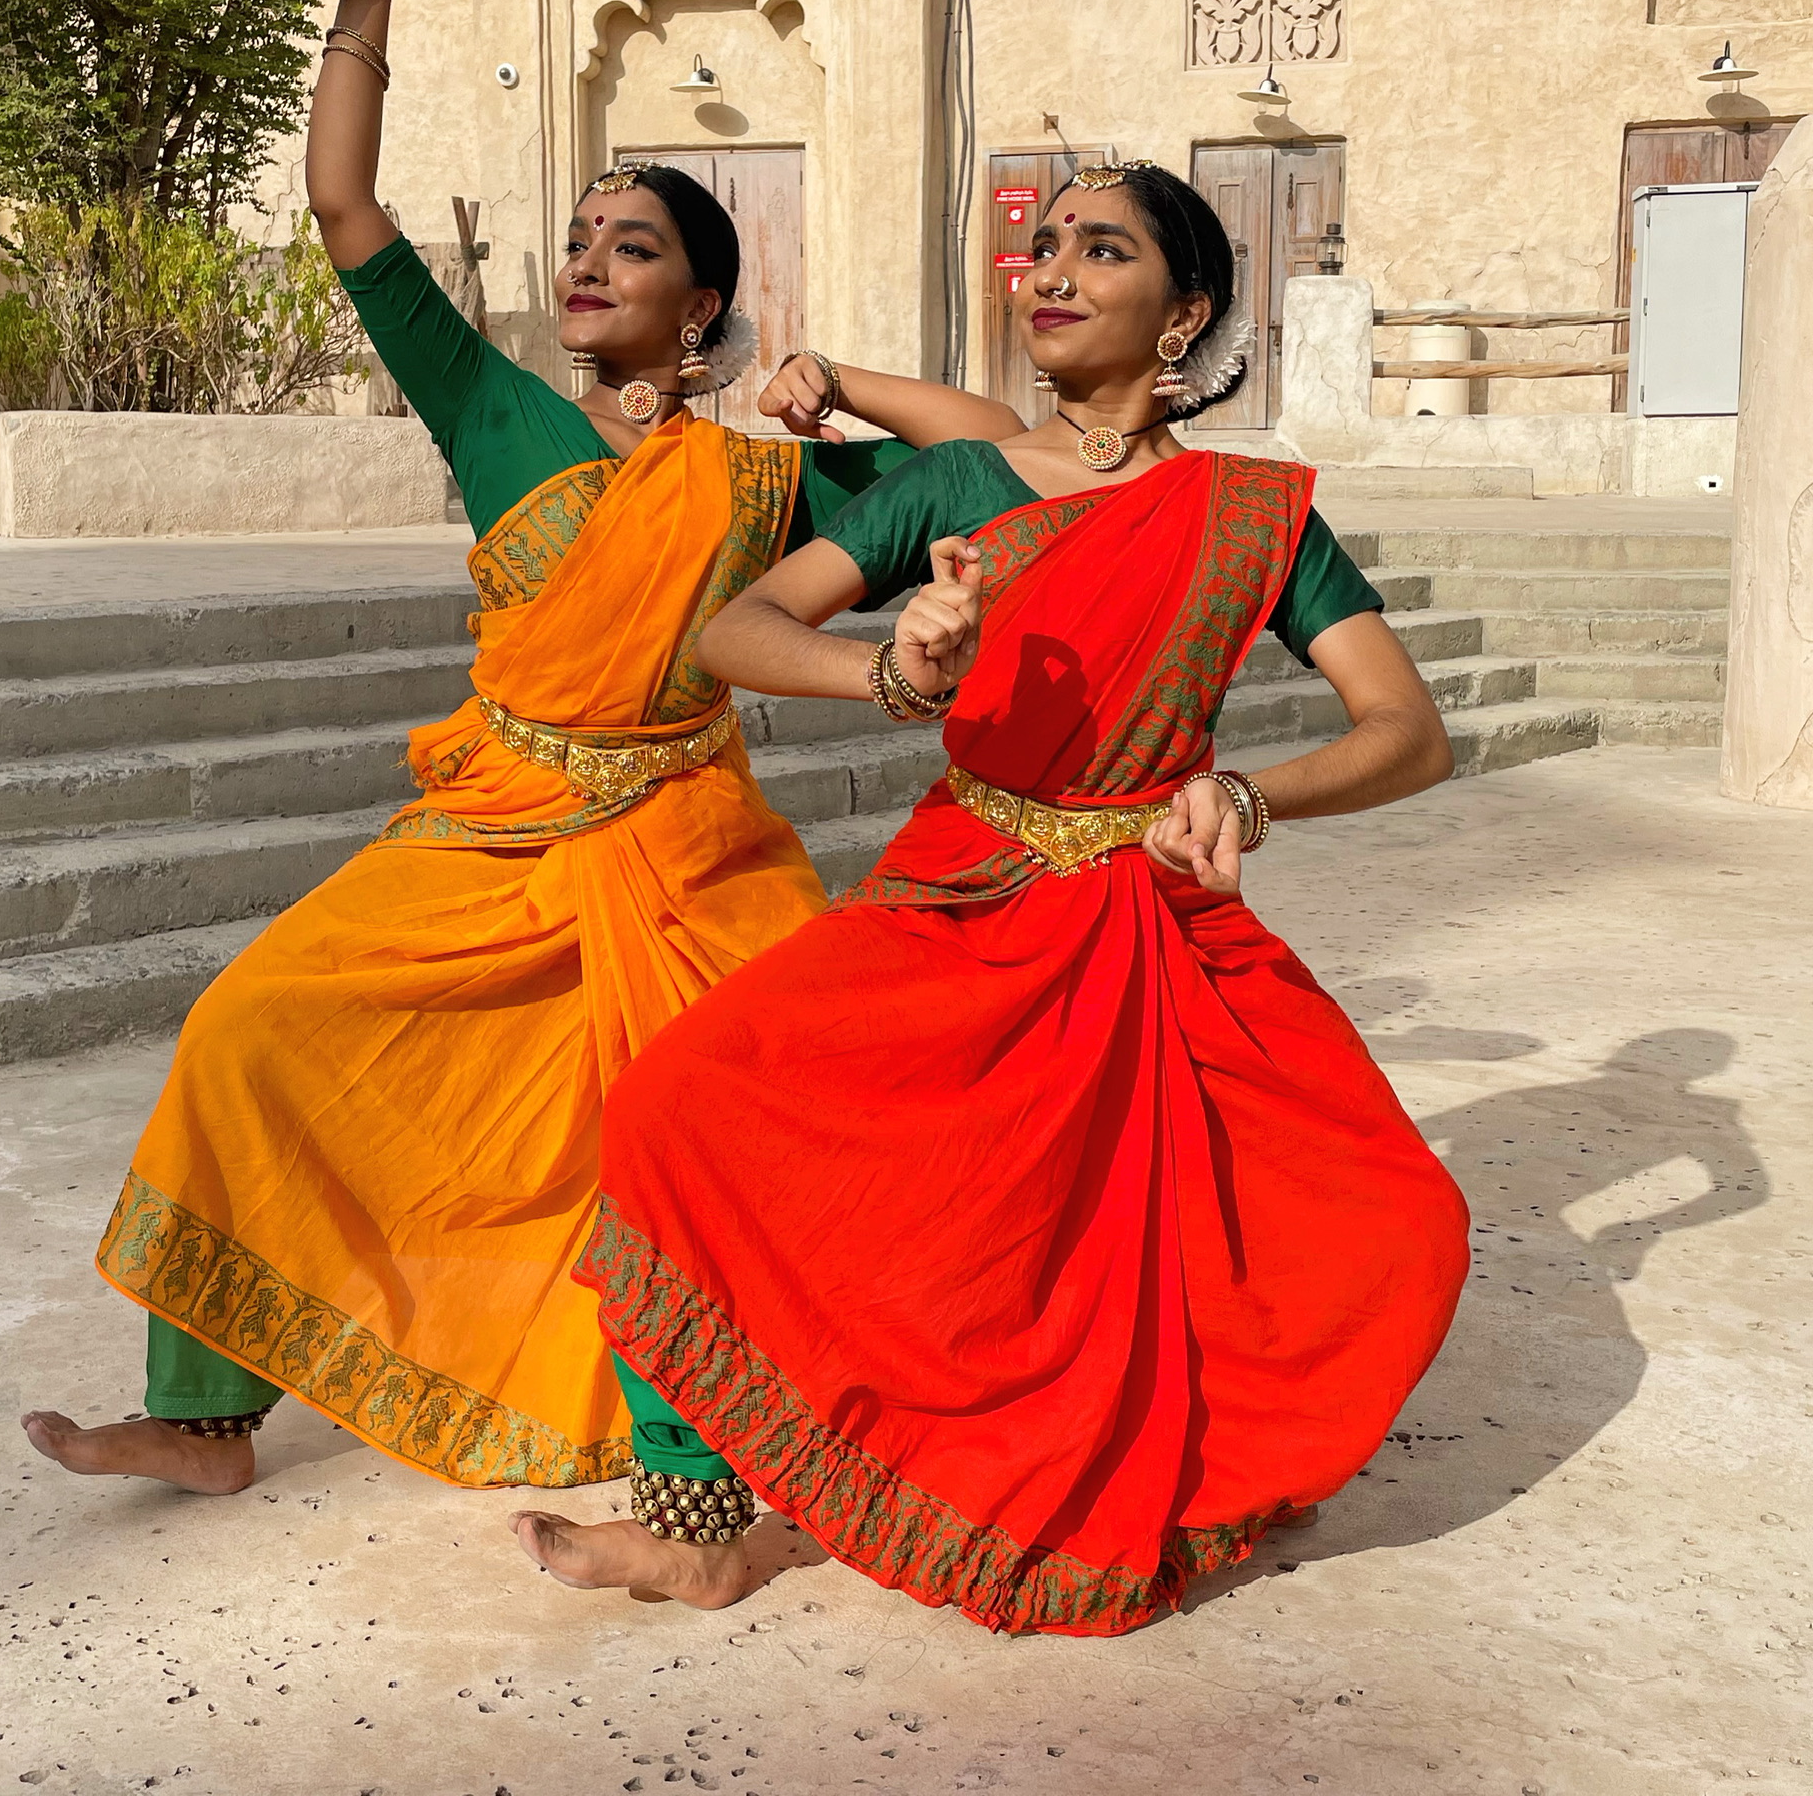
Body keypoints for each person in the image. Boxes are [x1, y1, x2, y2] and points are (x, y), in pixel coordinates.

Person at [22, 0, 1006, 1497]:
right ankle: (205, 1417)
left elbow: (990, 457)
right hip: (493, 822)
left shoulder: (770, 488)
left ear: (704, 304)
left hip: (684, 845)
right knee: (254, 1025)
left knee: (748, 1120)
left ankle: (758, 1420)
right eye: (579, 242)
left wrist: (850, 388)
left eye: (635, 246)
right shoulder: (493, 410)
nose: (588, 264)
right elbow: (344, 206)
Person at [511, 160, 1473, 1633]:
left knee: (1373, 1225)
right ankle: (696, 1520)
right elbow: (739, 630)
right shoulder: (959, 483)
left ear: (1183, 315)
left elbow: (1406, 729)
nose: (1052, 272)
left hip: (1150, 919)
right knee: (672, 1115)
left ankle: (1184, 1467)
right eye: (1041, 249)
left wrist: (1254, 796)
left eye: (1102, 249)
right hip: (961, 889)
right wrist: (895, 665)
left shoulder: (1250, 513)